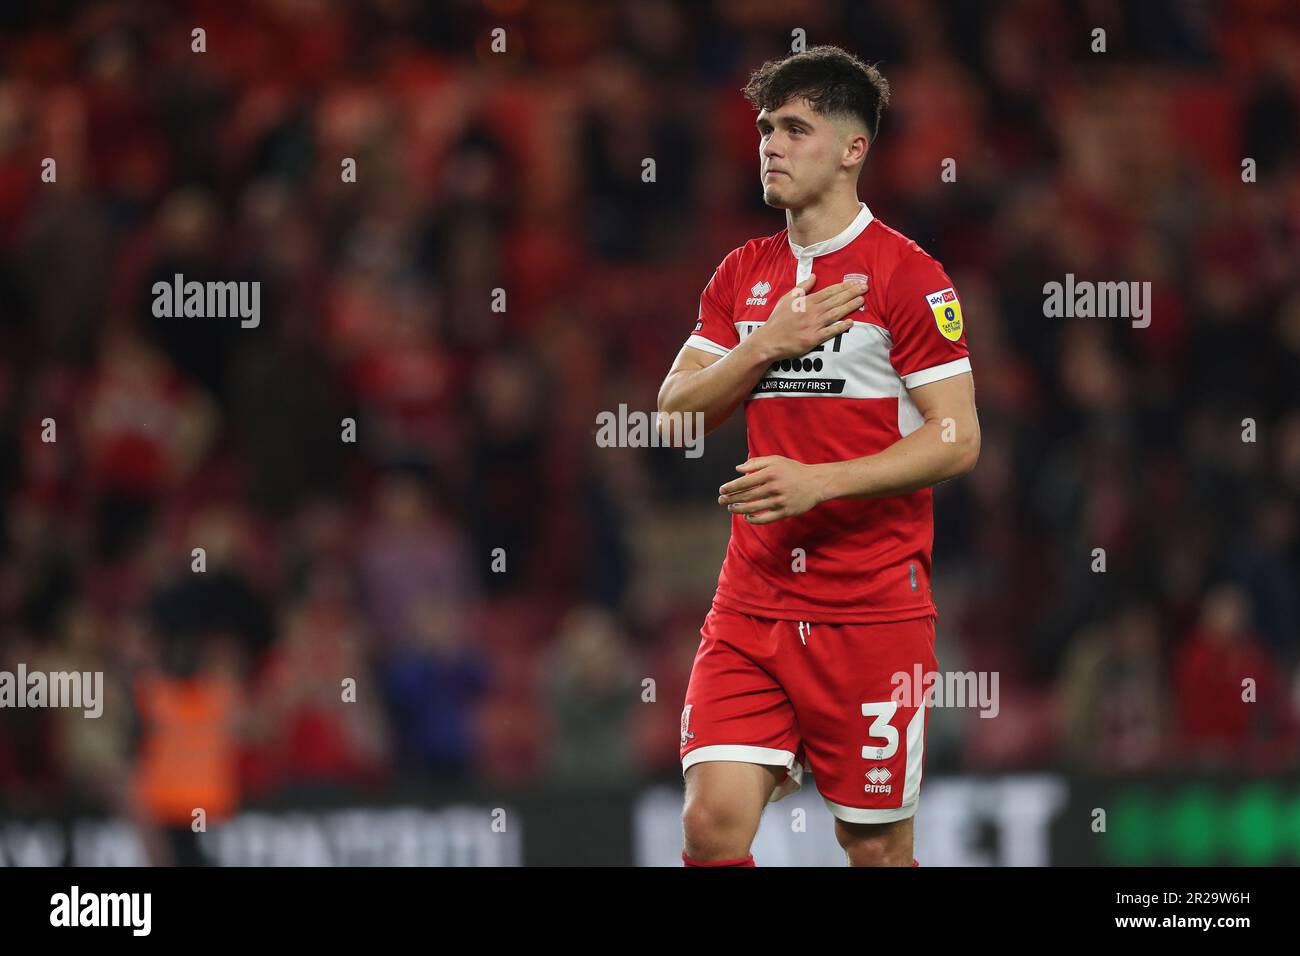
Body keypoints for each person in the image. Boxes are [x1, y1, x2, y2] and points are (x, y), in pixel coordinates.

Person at [657, 46, 980, 867]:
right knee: (710, 825)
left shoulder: (909, 277)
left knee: (873, 850)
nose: (769, 143)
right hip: (753, 603)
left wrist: (819, 483)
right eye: (766, 127)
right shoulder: (743, 275)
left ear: (851, 149)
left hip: (872, 610)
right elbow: (672, 414)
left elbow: (958, 438)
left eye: (795, 128)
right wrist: (764, 345)